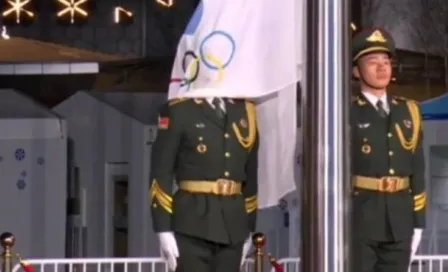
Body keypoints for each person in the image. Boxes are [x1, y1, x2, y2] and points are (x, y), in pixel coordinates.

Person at [149, 97, 258, 272]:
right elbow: (161, 171)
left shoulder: (244, 111)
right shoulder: (180, 110)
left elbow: (251, 175)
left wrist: (249, 227)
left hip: (233, 226)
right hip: (192, 223)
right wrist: (163, 228)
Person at [351, 28, 426, 272]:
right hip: (360, 221)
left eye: (386, 61)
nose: (382, 68)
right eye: (372, 62)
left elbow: (418, 170)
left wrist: (418, 223)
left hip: (400, 221)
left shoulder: (409, 111)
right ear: (356, 71)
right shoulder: (345, 113)